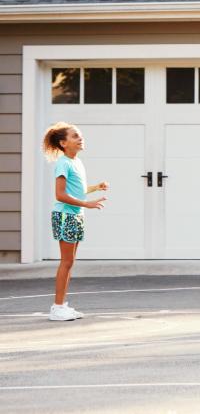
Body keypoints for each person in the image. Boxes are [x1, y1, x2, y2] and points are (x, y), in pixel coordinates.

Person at [42, 122, 108, 321]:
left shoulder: (76, 162)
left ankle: (62, 305)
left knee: (70, 262)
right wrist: (86, 205)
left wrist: (96, 187)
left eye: (80, 136)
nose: (80, 138)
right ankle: (57, 307)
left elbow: (76, 190)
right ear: (63, 143)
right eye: (75, 136)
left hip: (75, 215)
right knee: (66, 262)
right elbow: (60, 195)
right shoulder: (63, 163)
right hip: (65, 216)